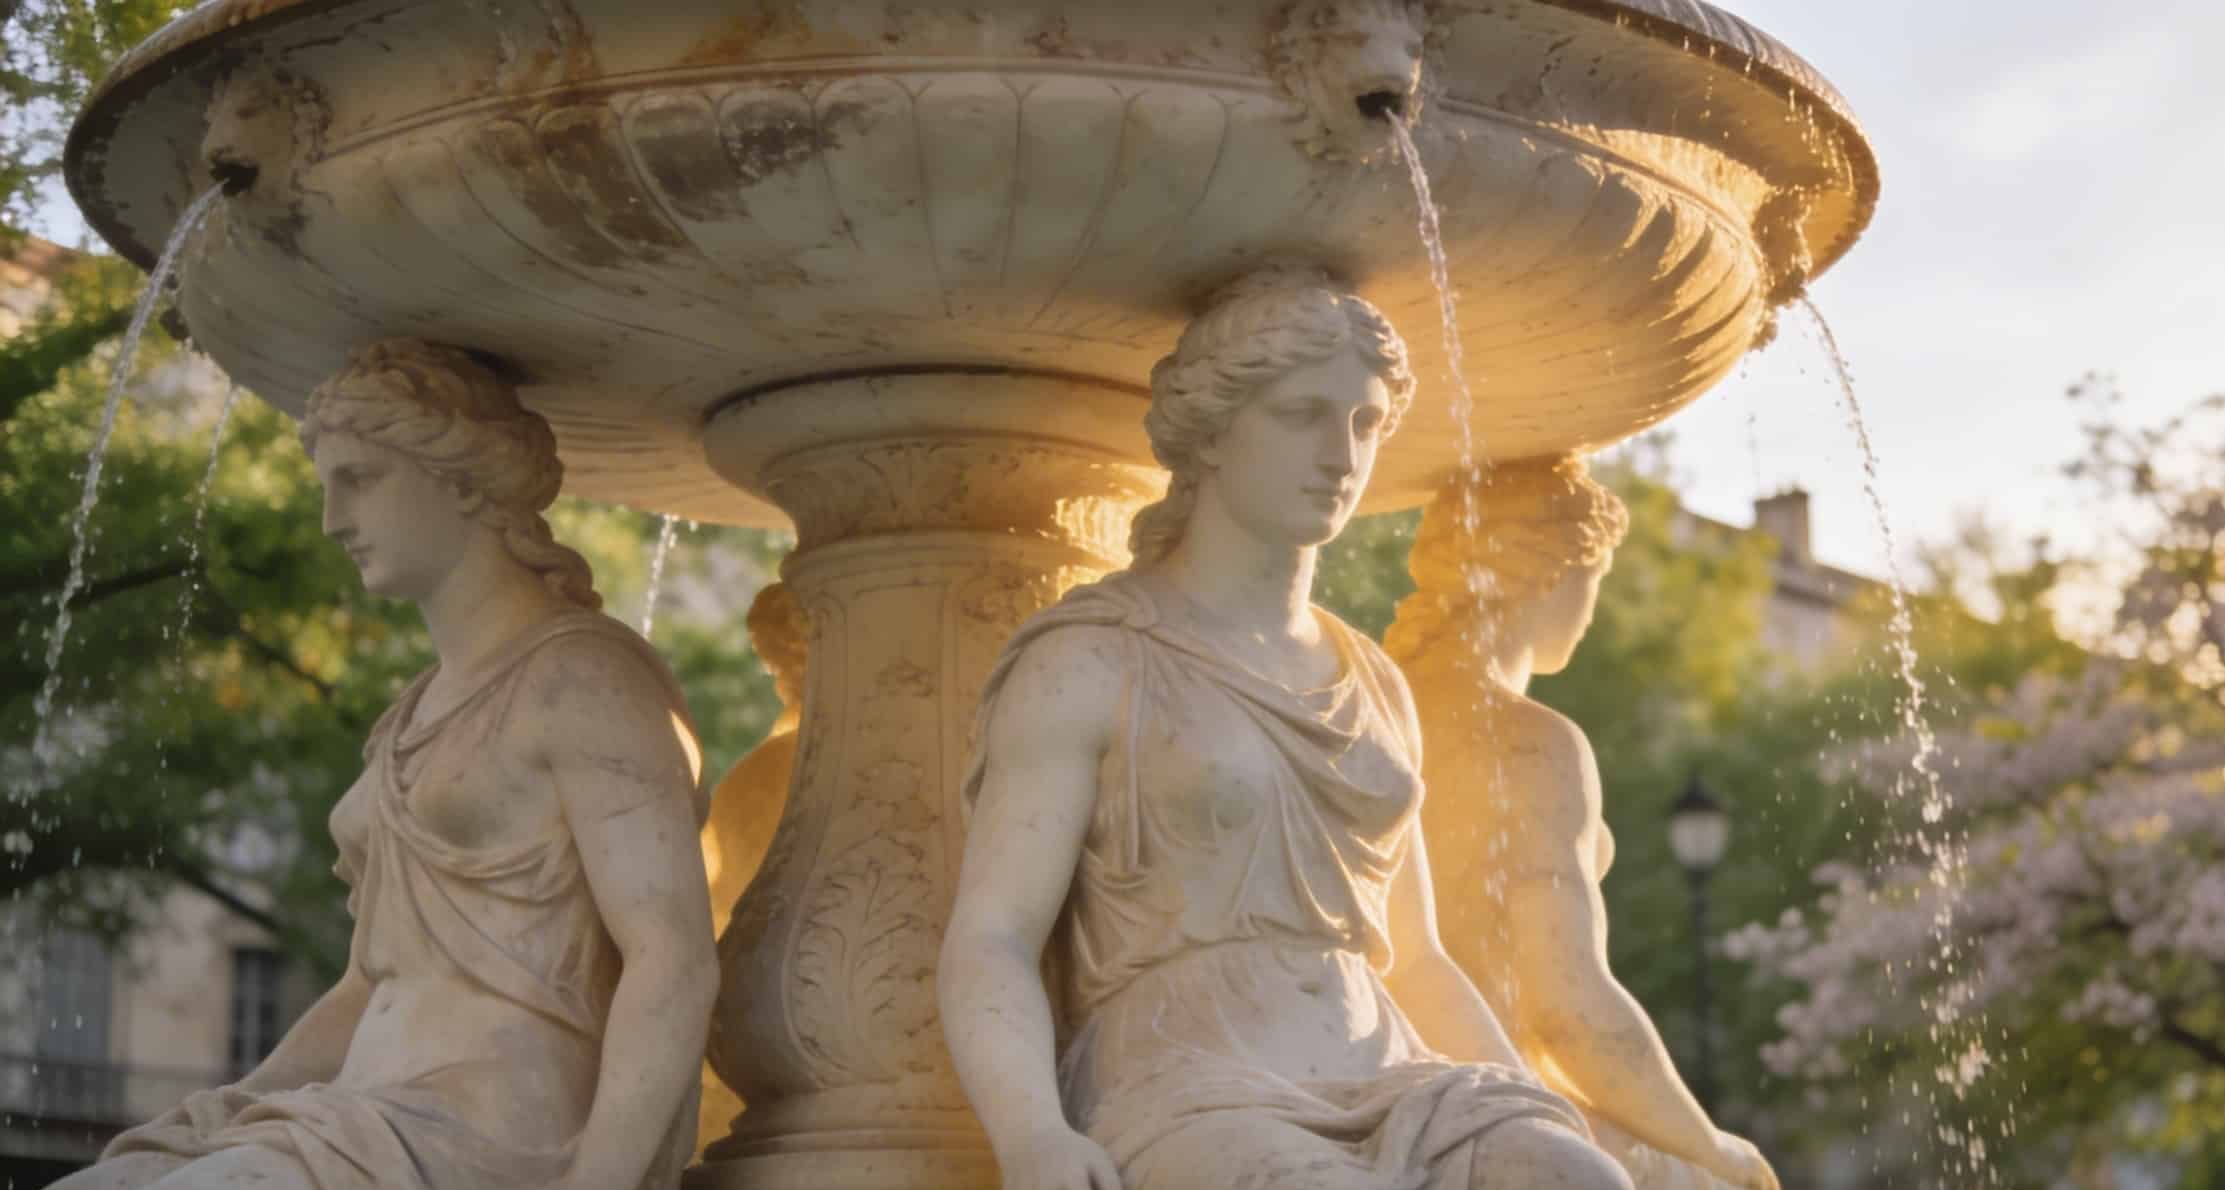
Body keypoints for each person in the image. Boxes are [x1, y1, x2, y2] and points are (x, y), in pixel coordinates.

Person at [939, 267, 1632, 1190]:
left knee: (1576, 1181)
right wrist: (1030, 1136)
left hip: (1383, 1061)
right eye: (1302, 413)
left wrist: (1523, 1098)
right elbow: (993, 935)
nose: (1340, 454)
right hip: (1188, 1080)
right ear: (1213, 431)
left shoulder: (1372, 678)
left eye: (1365, 422)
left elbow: (1416, 956)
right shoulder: (1094, 658)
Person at [56, 339, 718, 1190]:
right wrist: (235, 1101)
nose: (333, 518)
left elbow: (673, 959)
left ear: (460, 478)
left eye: (360, 479)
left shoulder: (582, 680)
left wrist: (600, 1180)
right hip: (356, 1120)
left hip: (487, 1133)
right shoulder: (409, 713)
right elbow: (372, 984)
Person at [1382, 458, 1778, 1190]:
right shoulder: (1529, 740)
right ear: (1548, 574)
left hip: (1382, 1066)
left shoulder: (1378, 703)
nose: (1590, 609)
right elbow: (1566, 1003)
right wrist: (1712, 1146)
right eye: (1592, 577)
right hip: (1487, 1091)